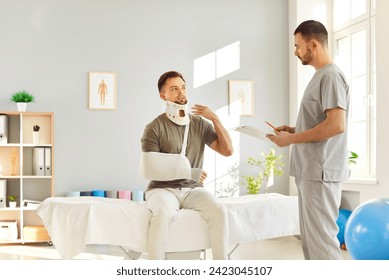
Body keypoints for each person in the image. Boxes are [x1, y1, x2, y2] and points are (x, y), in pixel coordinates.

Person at [267, 20, 350, 260]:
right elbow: (320, 122)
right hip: (309, 172)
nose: (295, 51)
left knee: (322, 243)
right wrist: (293, 129)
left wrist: (291, 138)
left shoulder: (331, 76)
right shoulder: (320, 76)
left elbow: (336, 125)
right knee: (311, 244)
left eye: (298, 46)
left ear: (313, 45)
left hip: (320, 172)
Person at [140, 70, 233, 260]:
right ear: (163, 95)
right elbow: (151, 170)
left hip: (192, 190)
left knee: (219, 211)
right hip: (162, 189)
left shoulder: (199, 124)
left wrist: (214, 119)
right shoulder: (154, 128)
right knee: (163, 213)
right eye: (174, 89)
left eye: (183, 87)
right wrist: (189, 172)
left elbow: (227, 151)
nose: (181, 92)